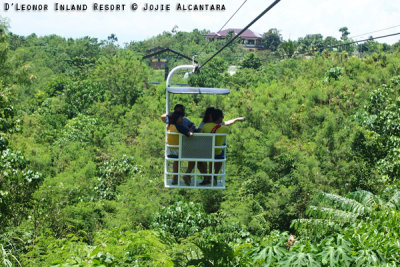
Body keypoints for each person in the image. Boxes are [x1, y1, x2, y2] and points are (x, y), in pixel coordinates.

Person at [198, 108, 244, 185]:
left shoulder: (205, 126)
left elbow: (200, 133)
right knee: (220, 154)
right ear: (219, 118)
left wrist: (236, 119)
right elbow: (229, 131)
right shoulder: (224, 128)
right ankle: (214, 175)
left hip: (206, 151)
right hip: (217, 152)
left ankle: (207, 177)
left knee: (205, 158)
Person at [166, 111, 194, 185]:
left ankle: (174, 178)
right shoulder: (179, 126)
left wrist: (169, 115)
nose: (182, 119)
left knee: (176, 160)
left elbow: (167, 117)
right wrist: (191, 130)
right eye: (181, 117)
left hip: (170, 151)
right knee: (193, 157)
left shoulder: (169, 125)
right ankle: (187, 174)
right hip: (178, 150)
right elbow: (190, 134)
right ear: (177, 119)